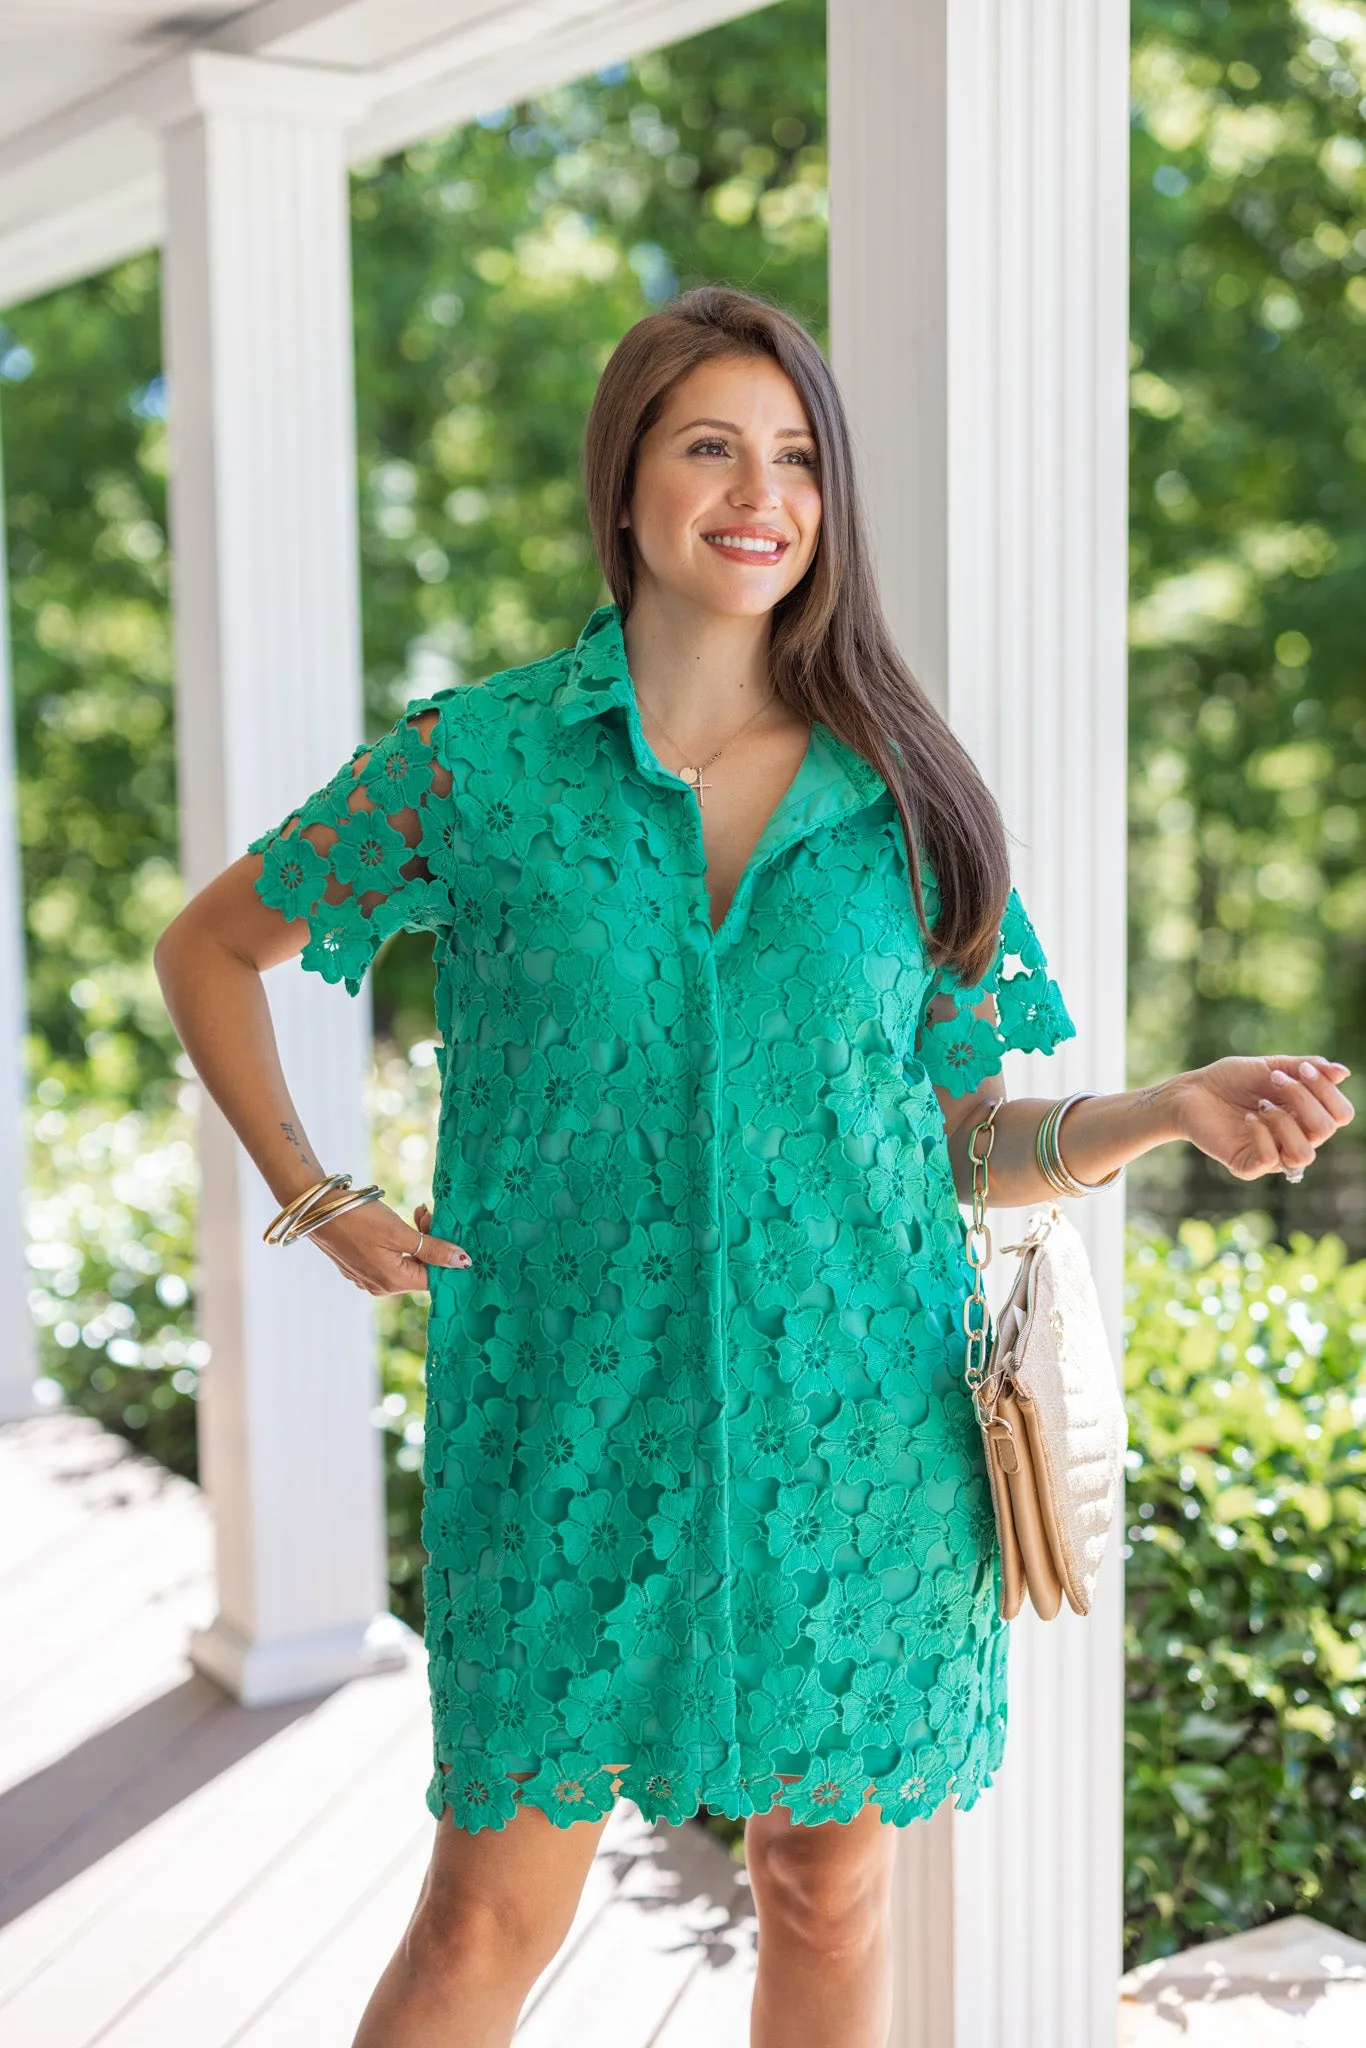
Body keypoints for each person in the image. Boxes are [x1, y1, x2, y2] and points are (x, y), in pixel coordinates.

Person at [154, 285, 1353, 2048]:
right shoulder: (475, 767)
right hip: (567, 1419)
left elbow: (961, 1139)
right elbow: (211, 949)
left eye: (795, 457)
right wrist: (321, 1199)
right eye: (709, 443)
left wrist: (1160, 1108)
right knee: (485, 1916)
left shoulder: (906, 797)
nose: (758, 491)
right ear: (626, 479)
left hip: (855, 1439)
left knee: (827, 1888)